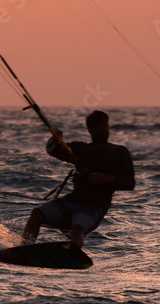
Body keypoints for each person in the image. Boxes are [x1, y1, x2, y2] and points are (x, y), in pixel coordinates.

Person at [21, 111, 135, 259]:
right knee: (36, 214)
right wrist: (56, 137)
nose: (103, 131)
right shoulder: (81, 149)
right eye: (98, 127)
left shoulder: (119, 152)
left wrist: (109, 178)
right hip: (71, 201)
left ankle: (70, 257)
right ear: (90, 130)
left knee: (77, 230)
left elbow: (130, 183)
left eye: (105, 126)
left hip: (94, 207)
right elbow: (53, 150)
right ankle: (24, 251)